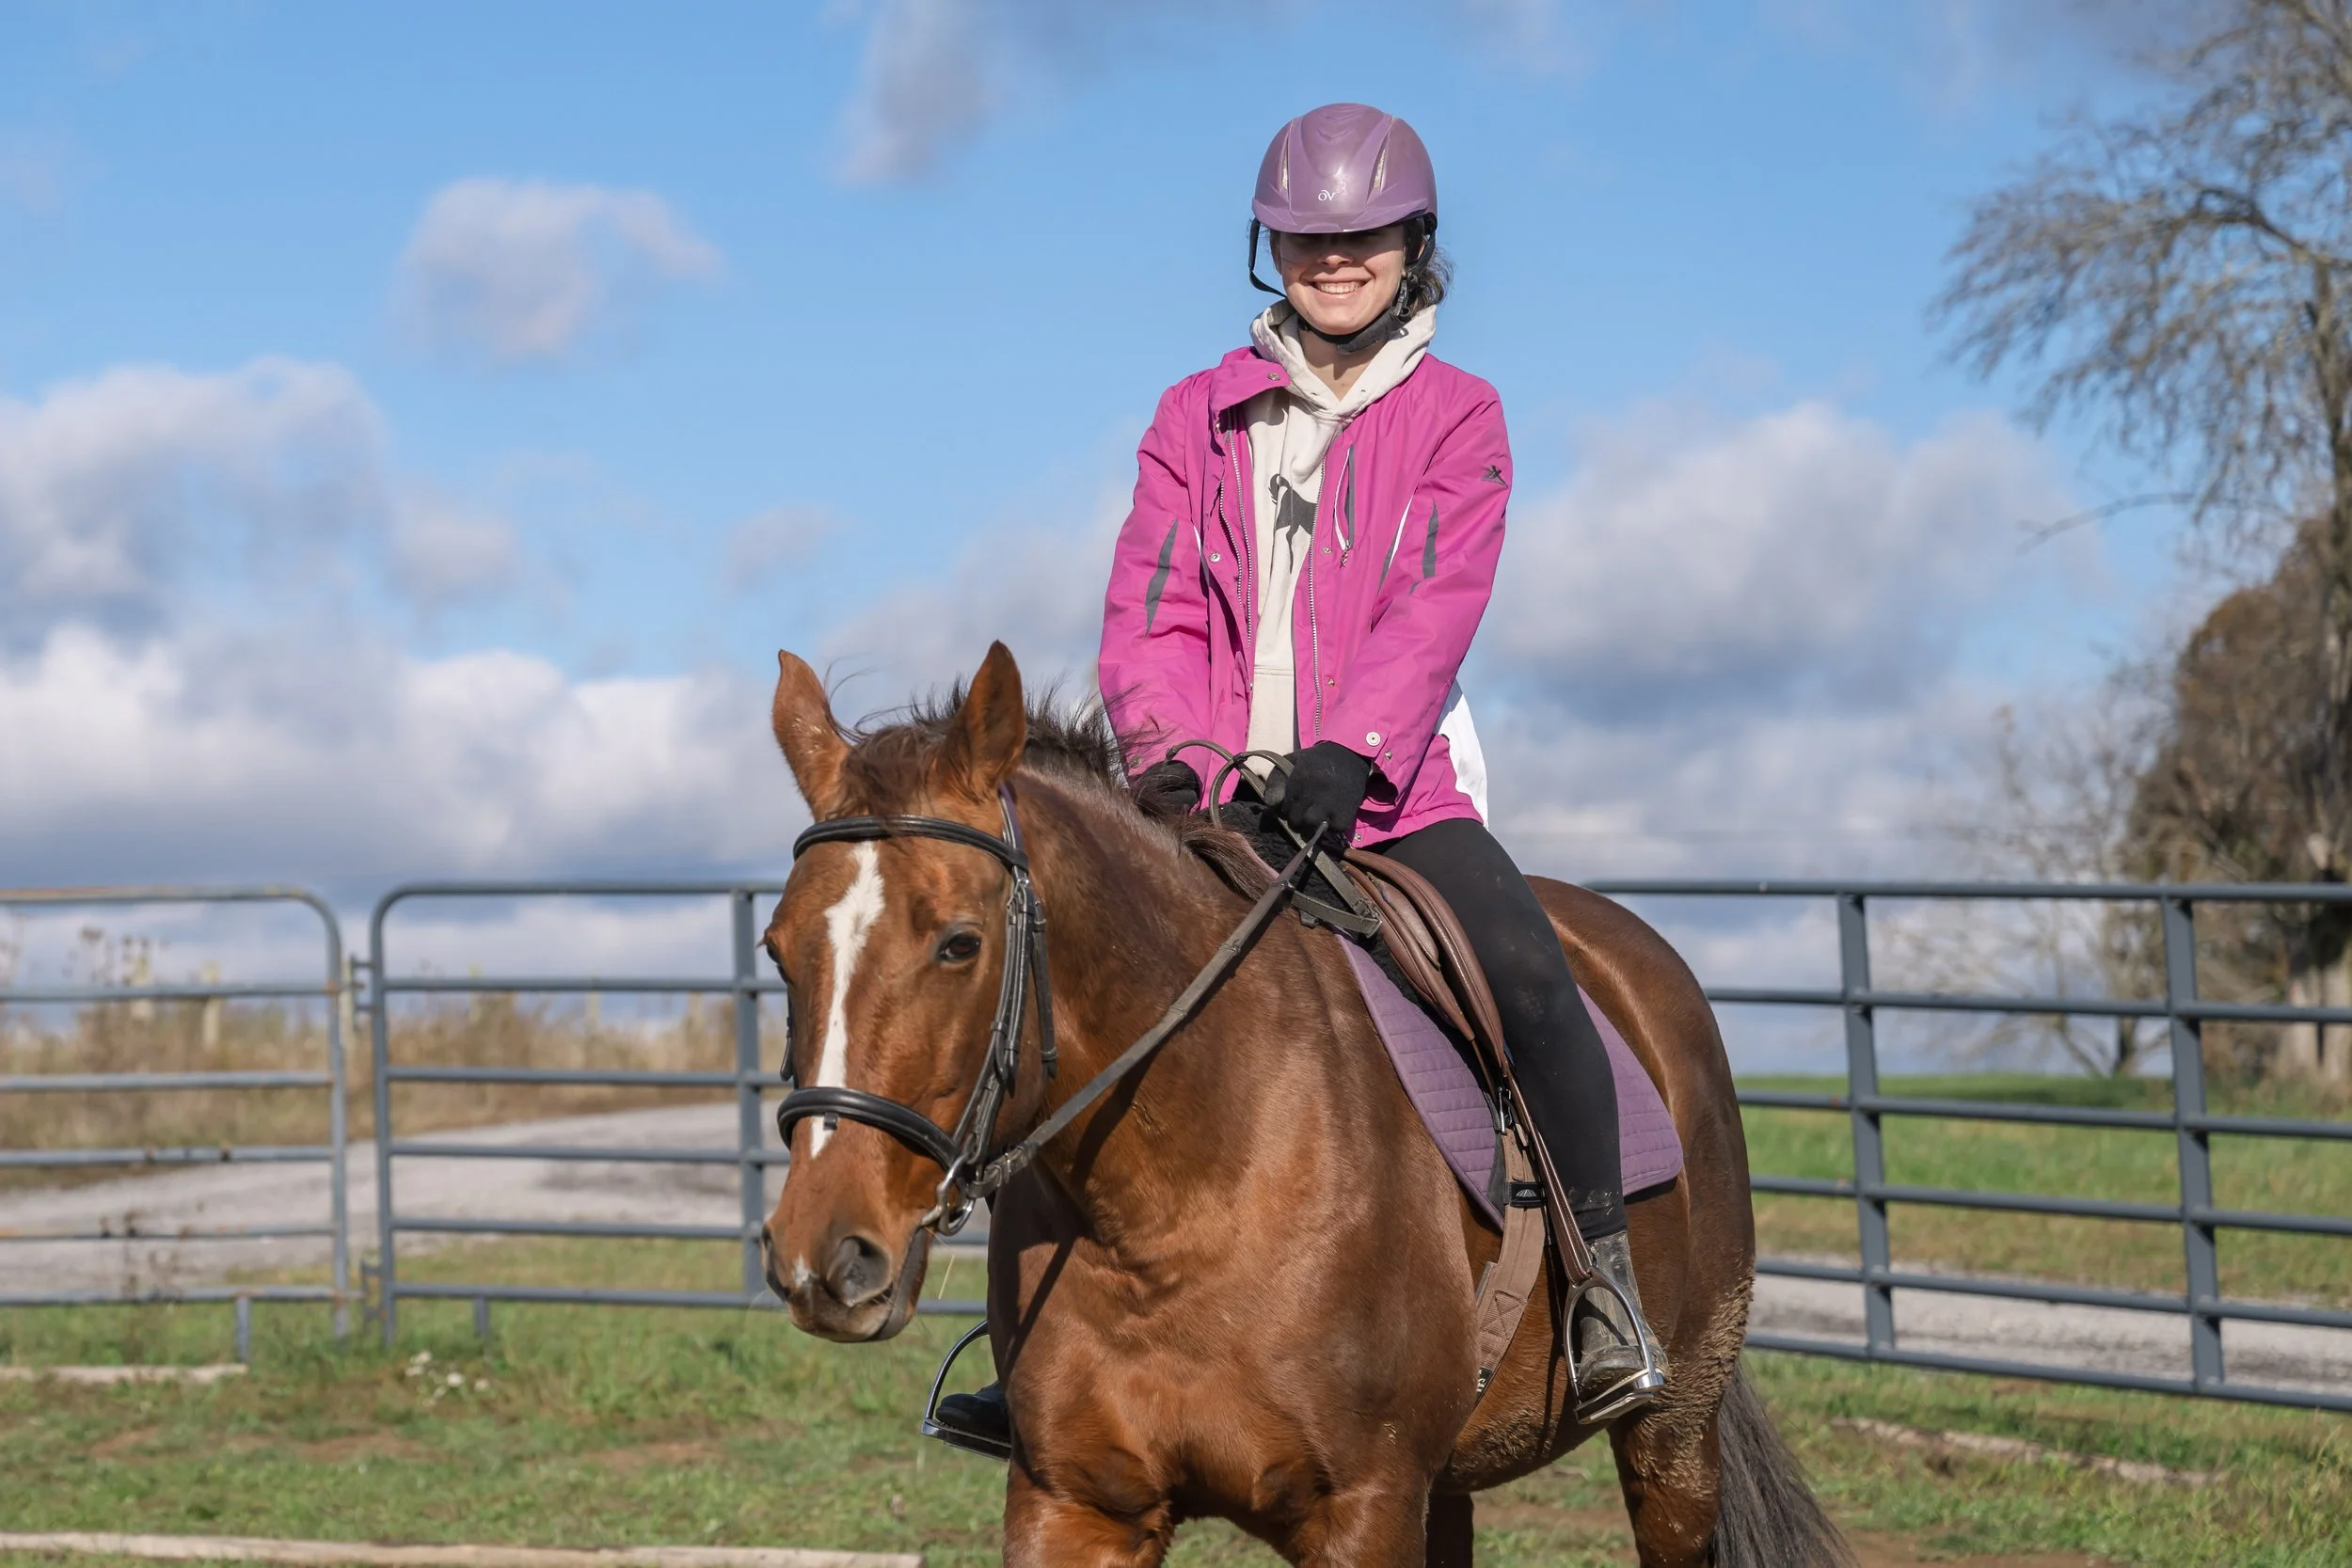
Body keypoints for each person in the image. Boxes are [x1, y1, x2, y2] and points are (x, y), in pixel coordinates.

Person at [931, 103, 1661, 1452]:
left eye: (1363, 236)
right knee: (1063, 1000)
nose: (1335, 259)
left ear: (1414, 244)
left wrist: (1350, 755)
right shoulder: (1193, 417)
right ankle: (1021, 1346)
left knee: (1533, 980)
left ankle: (1605, 1287)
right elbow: (1148, 606)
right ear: (1270, 247)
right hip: (1203, 805)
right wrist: (1180, 765)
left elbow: (1437, 600)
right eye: (1308, 237)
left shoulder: (1462, 416)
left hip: (1390, 799)